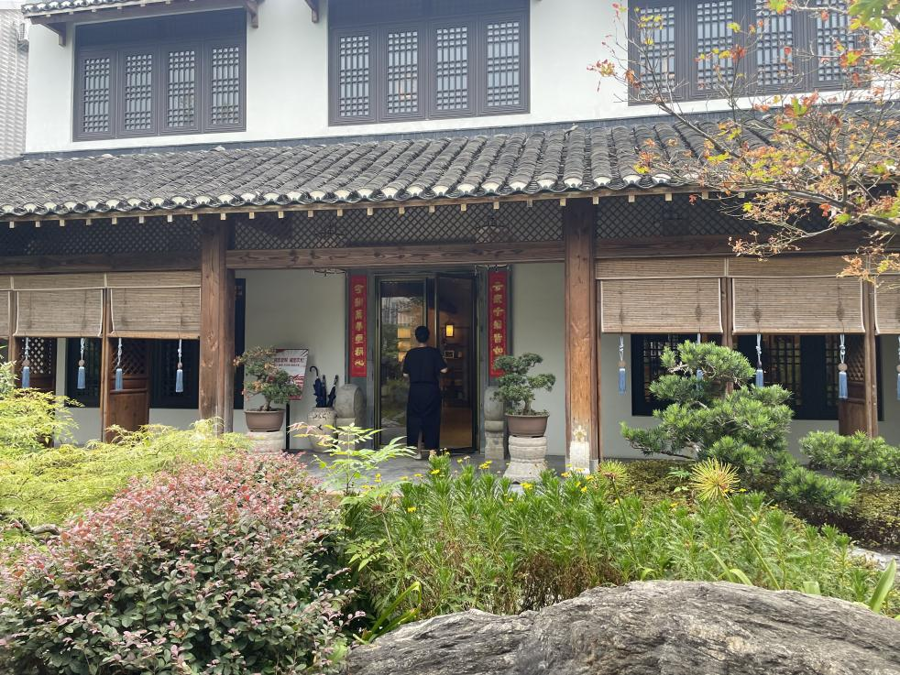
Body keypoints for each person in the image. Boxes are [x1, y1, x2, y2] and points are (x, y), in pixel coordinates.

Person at [402, 325, 448, 459]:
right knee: (432, 419)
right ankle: (432, 452)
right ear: (428, 337)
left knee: (415, 420)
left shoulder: (410, 354)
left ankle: (417, 452)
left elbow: (405, 374)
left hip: (415, 390)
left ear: (416, 338)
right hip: (431, 390)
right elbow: (444, 370)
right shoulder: (434, 352)